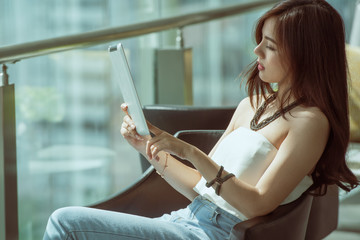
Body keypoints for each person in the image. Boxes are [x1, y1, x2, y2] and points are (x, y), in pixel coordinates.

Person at [43, 0, 359, 239]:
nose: (256, 50)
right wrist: (147, 148)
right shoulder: (250, 104)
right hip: (185, 220)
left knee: (64, 222)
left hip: (217, 233)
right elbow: (201, 188)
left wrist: (190, 152)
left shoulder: (309, 122)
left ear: (304, 54)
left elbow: (258, 205)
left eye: (270, 46)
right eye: (260, 39)